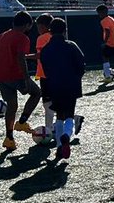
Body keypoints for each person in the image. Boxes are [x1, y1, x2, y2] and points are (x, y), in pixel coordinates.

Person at [0, 10, 42, 151]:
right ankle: (22, 121)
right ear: (27, 25)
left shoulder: (4, 35)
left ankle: (9, 138)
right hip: (16, 75)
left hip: (0, 76)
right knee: (37, 93)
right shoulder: (23, 38)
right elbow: (21, 58)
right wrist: (26, 78)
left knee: (12, 105)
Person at [37, 17, 86, 161]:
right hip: (71, 84)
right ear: (65, 31)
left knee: (59, 115)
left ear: (50, 31)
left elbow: (45, 68)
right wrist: (76, 77)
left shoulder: (46, 49)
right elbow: (81, 64)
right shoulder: (71, 45)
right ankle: (66, 136)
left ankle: (59, 146)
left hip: (54, 85)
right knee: (69, 114)